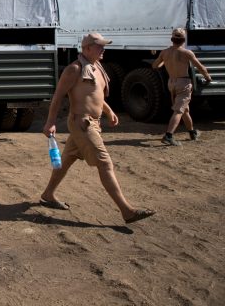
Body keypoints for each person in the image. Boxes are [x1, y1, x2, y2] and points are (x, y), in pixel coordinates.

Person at [40, 33, 155, 224]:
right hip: (81, 123)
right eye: (99, 46)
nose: (103, 49)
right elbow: (58, 96)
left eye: (103, 46)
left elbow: (96, 95)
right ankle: (127, 211)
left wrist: (108, 111)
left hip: (93, 122)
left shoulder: (97, 68)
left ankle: (48, 194)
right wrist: (50, 122)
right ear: (86, 48)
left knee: (67, 159)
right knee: (104, 163)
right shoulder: (74, 69)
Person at [152, 27, 212, 146]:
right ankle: (169, 135)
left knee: (185, 110)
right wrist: (208, 77)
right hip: (183, 83)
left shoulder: (165, 52)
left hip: (172, 83)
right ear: (184, 40)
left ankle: (192, 132)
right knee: (179, 110)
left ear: (172, 39)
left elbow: (155, 66)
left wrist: (164, 60)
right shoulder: (187, 53)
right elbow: (200, 67)